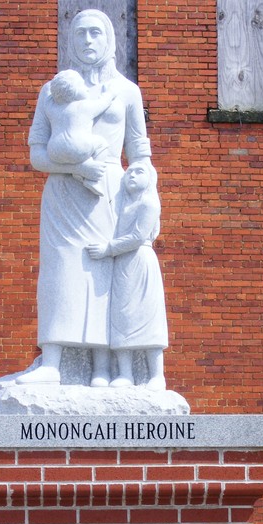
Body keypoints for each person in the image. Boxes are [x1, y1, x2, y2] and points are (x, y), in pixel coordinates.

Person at [17, 9, 151, 387]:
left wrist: (146, 201)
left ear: (109, 39)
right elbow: (36, 152)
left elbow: (140, 152)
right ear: (70, 41)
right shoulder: (52, 90)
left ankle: (103, 368)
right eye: (80, 35)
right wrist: (75, 170)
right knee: (61, 273)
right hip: (64, 192)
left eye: (95, 33)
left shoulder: (126, 91)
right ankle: (52, 363)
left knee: (102, 274)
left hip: (108, 191)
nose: (88, 41)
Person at [86, 161, 168, 390]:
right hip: (122, 265)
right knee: (122, 315)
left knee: (147, 315)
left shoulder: (149, 202)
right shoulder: (121, 204)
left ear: (150, 178)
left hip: (140, 260)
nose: (132, 174)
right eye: (129, 171)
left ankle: (156, 376)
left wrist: (107, 249)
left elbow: (137, 236)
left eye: (138, 171)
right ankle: (125, 374)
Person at [46, 69, 117, 196]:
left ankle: (78, 173)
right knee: (101, 143)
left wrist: (56, 92)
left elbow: (49, 100)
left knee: (71, 156)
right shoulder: (84, 107)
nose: (86, 88)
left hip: (54, 150)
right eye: (82, 85)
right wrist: (110, 93)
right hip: (77, 147)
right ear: (73, 90)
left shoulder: (51, 107)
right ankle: (93, 178)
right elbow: (103, 103)